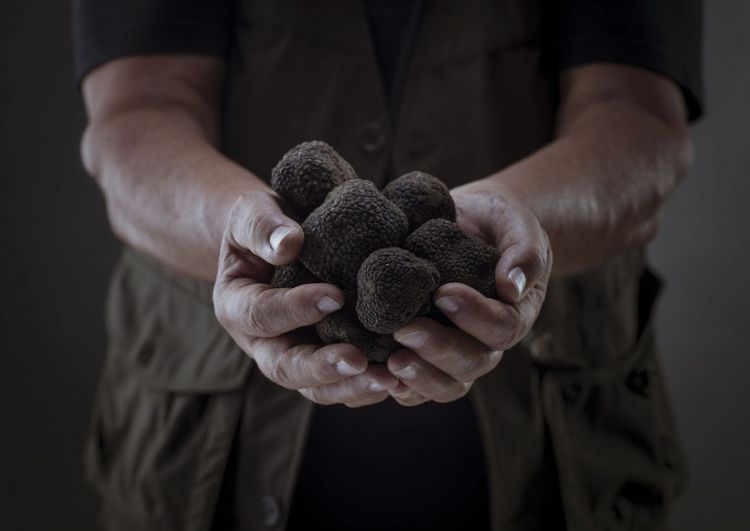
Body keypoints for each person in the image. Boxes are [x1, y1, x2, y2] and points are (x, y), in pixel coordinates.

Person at [73, 0, 703, 529]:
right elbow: (136, 113)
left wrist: (522, 215)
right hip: (202, 462)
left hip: (553, 456)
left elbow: (637, 115)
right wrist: (238, 230)